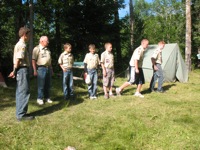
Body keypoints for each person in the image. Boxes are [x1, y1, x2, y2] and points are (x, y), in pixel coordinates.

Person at [8, 27, 35, 121]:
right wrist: (14, 71)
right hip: (22, 70)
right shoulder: (22, 45)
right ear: (25, 35)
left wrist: (14, 70)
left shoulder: (18, 44)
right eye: (29, 35)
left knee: (20, 92)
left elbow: (16, 60)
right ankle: (21, 115)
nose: (30, 37)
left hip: (20, 70)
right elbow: (19, 59)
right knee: (24, 92)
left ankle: (20, 113)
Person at [32, 36, 53, 105]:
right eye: (47, 41)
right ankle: (40, 98)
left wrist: (51, 69)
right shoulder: (37, 49)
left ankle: (47, 97)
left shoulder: (48, 50)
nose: (48, 42)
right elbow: (33, 60)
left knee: (48, 84)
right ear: (42, 41)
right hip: (41, 68)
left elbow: (49, 60)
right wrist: (35, 70)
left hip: (48, 68)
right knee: (41, 85)